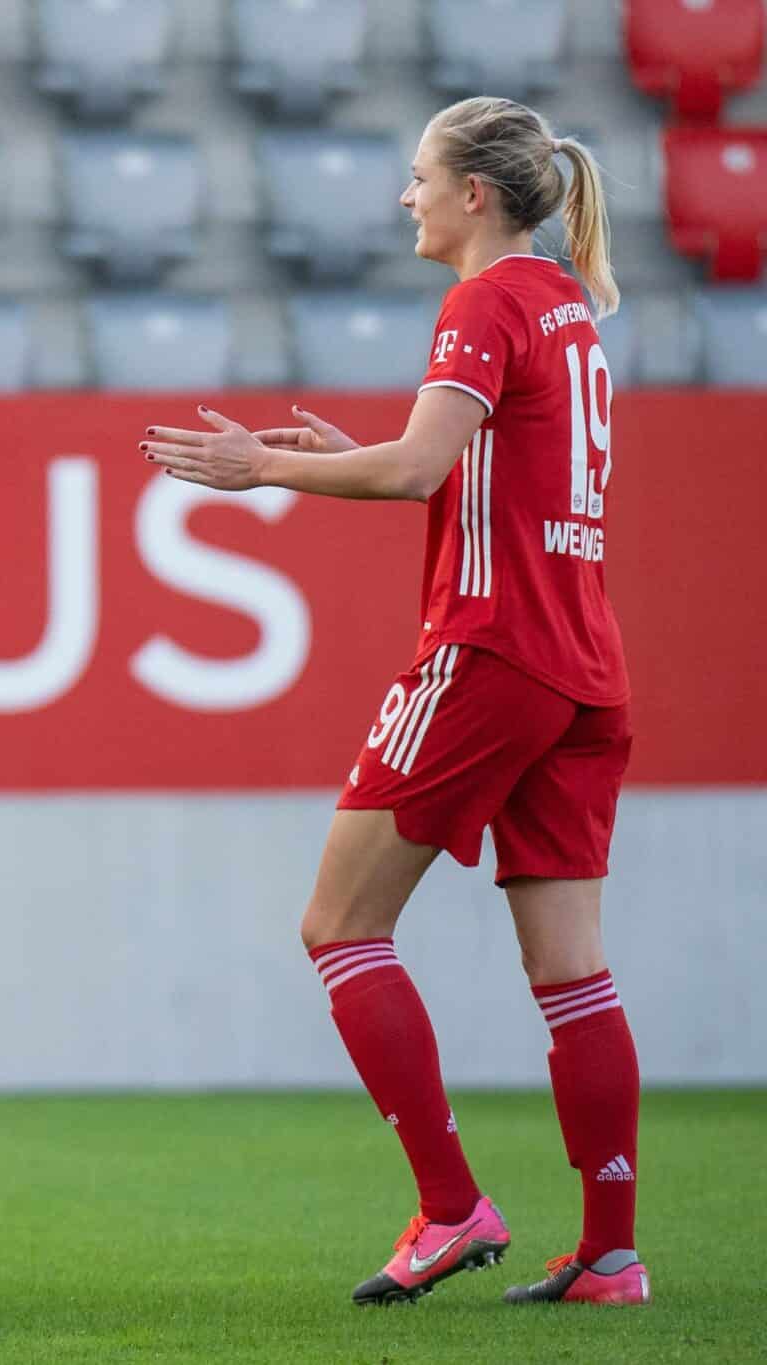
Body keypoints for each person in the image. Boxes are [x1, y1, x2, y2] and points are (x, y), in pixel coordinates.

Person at [138, 96, 647, 1308]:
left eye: (418, 176)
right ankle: (610, 1252)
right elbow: (480, 467)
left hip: (488, 654)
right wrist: (334, 450)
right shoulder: (566, 304)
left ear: (475, 192)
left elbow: (419, 466)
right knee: (573, 973)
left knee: (337, 926)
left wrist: (265, 468)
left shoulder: (482, 300)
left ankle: (447, 1205)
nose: (403, 196)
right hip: (583, 663)